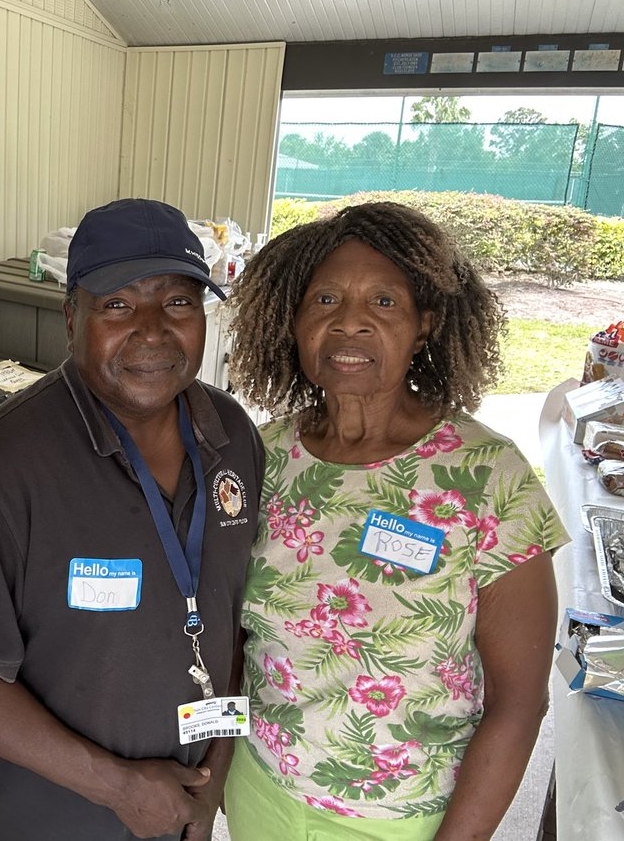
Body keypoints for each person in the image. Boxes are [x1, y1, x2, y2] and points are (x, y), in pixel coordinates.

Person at [0, 198, 265, 841]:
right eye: (118, 305)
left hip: (185, 808)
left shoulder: (232, 436)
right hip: (45, 819)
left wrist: (213, 780)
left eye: (178, 303)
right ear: (73, 317)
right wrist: (119, 788)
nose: (153, 330)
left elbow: (230, 620)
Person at [224, 202, 566, 840]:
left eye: (383, 303)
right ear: (292, 321)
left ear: (425, 325)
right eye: (324, 299)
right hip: (260, 789)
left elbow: (521, 704)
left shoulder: (488, 476)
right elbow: (234, 639)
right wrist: (217, 770)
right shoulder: (258, 457)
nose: (348, 322)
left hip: (407, 820)